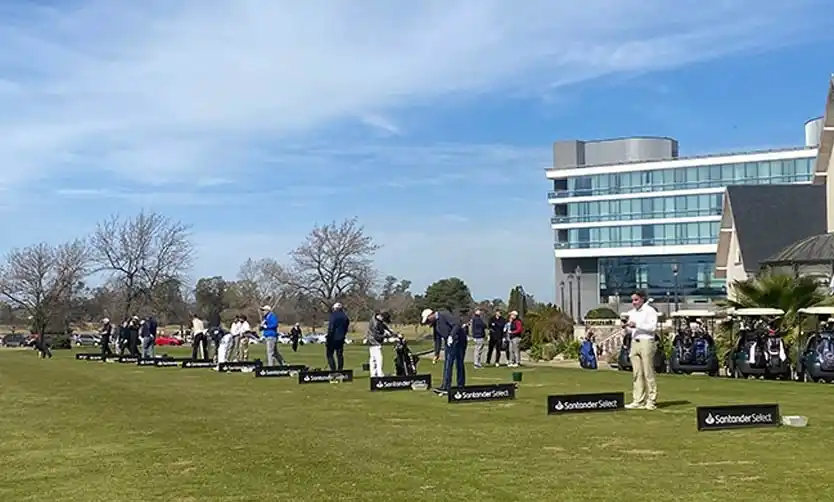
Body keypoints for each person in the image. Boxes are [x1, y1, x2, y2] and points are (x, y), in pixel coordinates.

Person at [625, 290, 659, 410]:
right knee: (637, 373)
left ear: (642, 299)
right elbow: (631, 330)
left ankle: (651, 400)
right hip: (635, 342)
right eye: (632, 300)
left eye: (636, 300)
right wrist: (627, 327)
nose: (634, 302)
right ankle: (638, 400)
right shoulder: (633, 313)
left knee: (648, 372)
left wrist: (637, 326)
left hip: (646, 342)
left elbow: (652, 328)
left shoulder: (650, 311)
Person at [421, 308, 466, 395]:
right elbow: (437, 339)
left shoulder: (444, 315)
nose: (427, 322)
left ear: (431, 315)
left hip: (459, 340)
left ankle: (460, 386)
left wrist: (451, 336)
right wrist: (436, 354)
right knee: (448, 363)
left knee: (459, 363)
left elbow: (456, 324)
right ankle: (445, 386)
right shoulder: (435, 324)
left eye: (427, 319)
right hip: (449, 342)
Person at [366, 311, 393, 377]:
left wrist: (389, 331)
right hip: (374, 342)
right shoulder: (376, 323)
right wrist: (386, 336)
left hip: (371, 342)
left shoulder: (377, 319)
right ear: (382, 317)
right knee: (379, 358)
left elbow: (383, 325)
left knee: (373, 358)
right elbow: (376, 335)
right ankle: (380, 374)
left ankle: (373, 374)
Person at [326, 302, 350, 371]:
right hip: (341, 338)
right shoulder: (345, 316)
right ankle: (340, 369)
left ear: (335, 308)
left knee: (329, 354)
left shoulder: (333, 315)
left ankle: (333, 369)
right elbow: (346, 327)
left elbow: (331, 328)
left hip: (333, 338)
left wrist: (329, 337)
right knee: (339, 355)